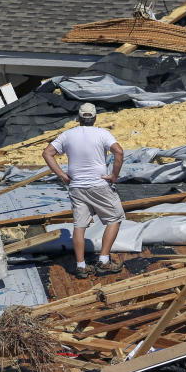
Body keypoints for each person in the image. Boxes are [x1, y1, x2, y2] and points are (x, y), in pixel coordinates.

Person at [42, 103, 125, 278]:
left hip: (76, 187)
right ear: (95, 118)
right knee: (115, 218)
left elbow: (47, 153)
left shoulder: (67, 135)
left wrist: (62, 176)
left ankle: (80, 266)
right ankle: (103, 261)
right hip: (99, 185)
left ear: (79, 118)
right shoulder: (102, 133)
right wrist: (114, 175)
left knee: (79, 226)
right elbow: (119, 152)